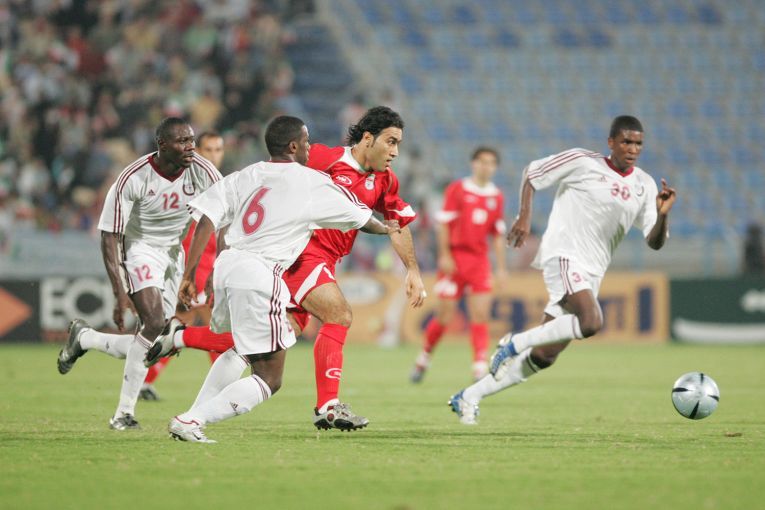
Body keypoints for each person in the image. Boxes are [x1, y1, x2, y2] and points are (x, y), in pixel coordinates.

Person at [146, 106, 426, 431]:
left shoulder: (386, 181)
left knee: (270, 339)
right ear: (367, 138)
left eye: (398, 144)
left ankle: (181, 343)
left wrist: (412, 270)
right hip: (301, 256)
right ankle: (328, 406)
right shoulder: (321, 158)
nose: (395, 152)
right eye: (390, 142)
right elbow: (275, 179)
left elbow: (397, 225)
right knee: (339, 315)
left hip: (317, 263)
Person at [448, 115, 677, 425]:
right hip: (565, 255)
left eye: (638, 143)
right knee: (591, 322)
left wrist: (663, 214)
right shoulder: (583, 162)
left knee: (545, 355)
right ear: (611, 142)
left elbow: (655, 242)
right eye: (626, 141)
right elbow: (532, 173)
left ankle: (469, 396)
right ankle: (514, 343)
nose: (632, 149)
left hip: (593, 271)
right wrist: (525, 216)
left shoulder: (644, 185)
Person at [56, 117, 223, 430]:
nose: (190, 147)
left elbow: (221, 218)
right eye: (182, 142)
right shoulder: (132, 178)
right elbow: (109, 235)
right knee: (155, 322)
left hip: (174, 252)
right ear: (162, 145)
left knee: (154, 339)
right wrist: (119, 291)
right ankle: (123, 414)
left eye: (191, 140)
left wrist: (211, 269)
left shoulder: (203, 171)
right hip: (139, 248)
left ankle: (86, 338)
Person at [140, 131, 226, 401]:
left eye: (218, 149)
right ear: (197, 152)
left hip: (209, 268)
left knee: (181, 325)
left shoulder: (221, 185)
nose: (214, 155)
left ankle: (144, 378)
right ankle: (221, 389)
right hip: (190, 269)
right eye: (208, 149)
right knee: (213, 328)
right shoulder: (188, 184)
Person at [410, 147, 507, 383]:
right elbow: (444, 223)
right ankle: (424, 358)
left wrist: (501, 267)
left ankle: (479, 367)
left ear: (495, 167)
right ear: (473, 164)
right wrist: (444, 255)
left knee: (480, 314)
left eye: (490, 163)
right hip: (455, 259)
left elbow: (496, 234)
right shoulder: (458, 189)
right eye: (482, 161)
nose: (485, 166)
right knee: (445, 316)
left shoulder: (496, 196)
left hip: (479, 261)